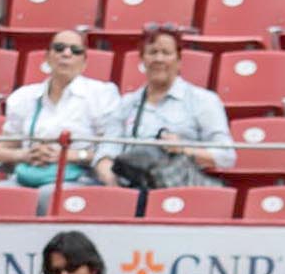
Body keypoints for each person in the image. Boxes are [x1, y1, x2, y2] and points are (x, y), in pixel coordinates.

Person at [92, 25, 234, 197]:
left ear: (179, 60)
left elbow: (226, 156)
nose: (158, 59)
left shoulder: (204, 101)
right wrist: (113, 185)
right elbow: (107, 151)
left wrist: (183, 149)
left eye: (166, 53)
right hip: (131, 188)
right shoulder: (126, 104)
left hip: (180, 190)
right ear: (142, 60)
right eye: (152, 52)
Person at [0, 26, 117, 209]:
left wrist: (67, 156)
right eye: (59, 48)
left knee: (47, 196)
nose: (66, 54)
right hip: (28, 176)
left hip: (80, 177)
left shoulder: (101, 94)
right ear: (47, 57)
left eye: (75, 50)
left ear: (84, 62)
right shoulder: (24, 96)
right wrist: (26, 154)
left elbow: (111, 150)